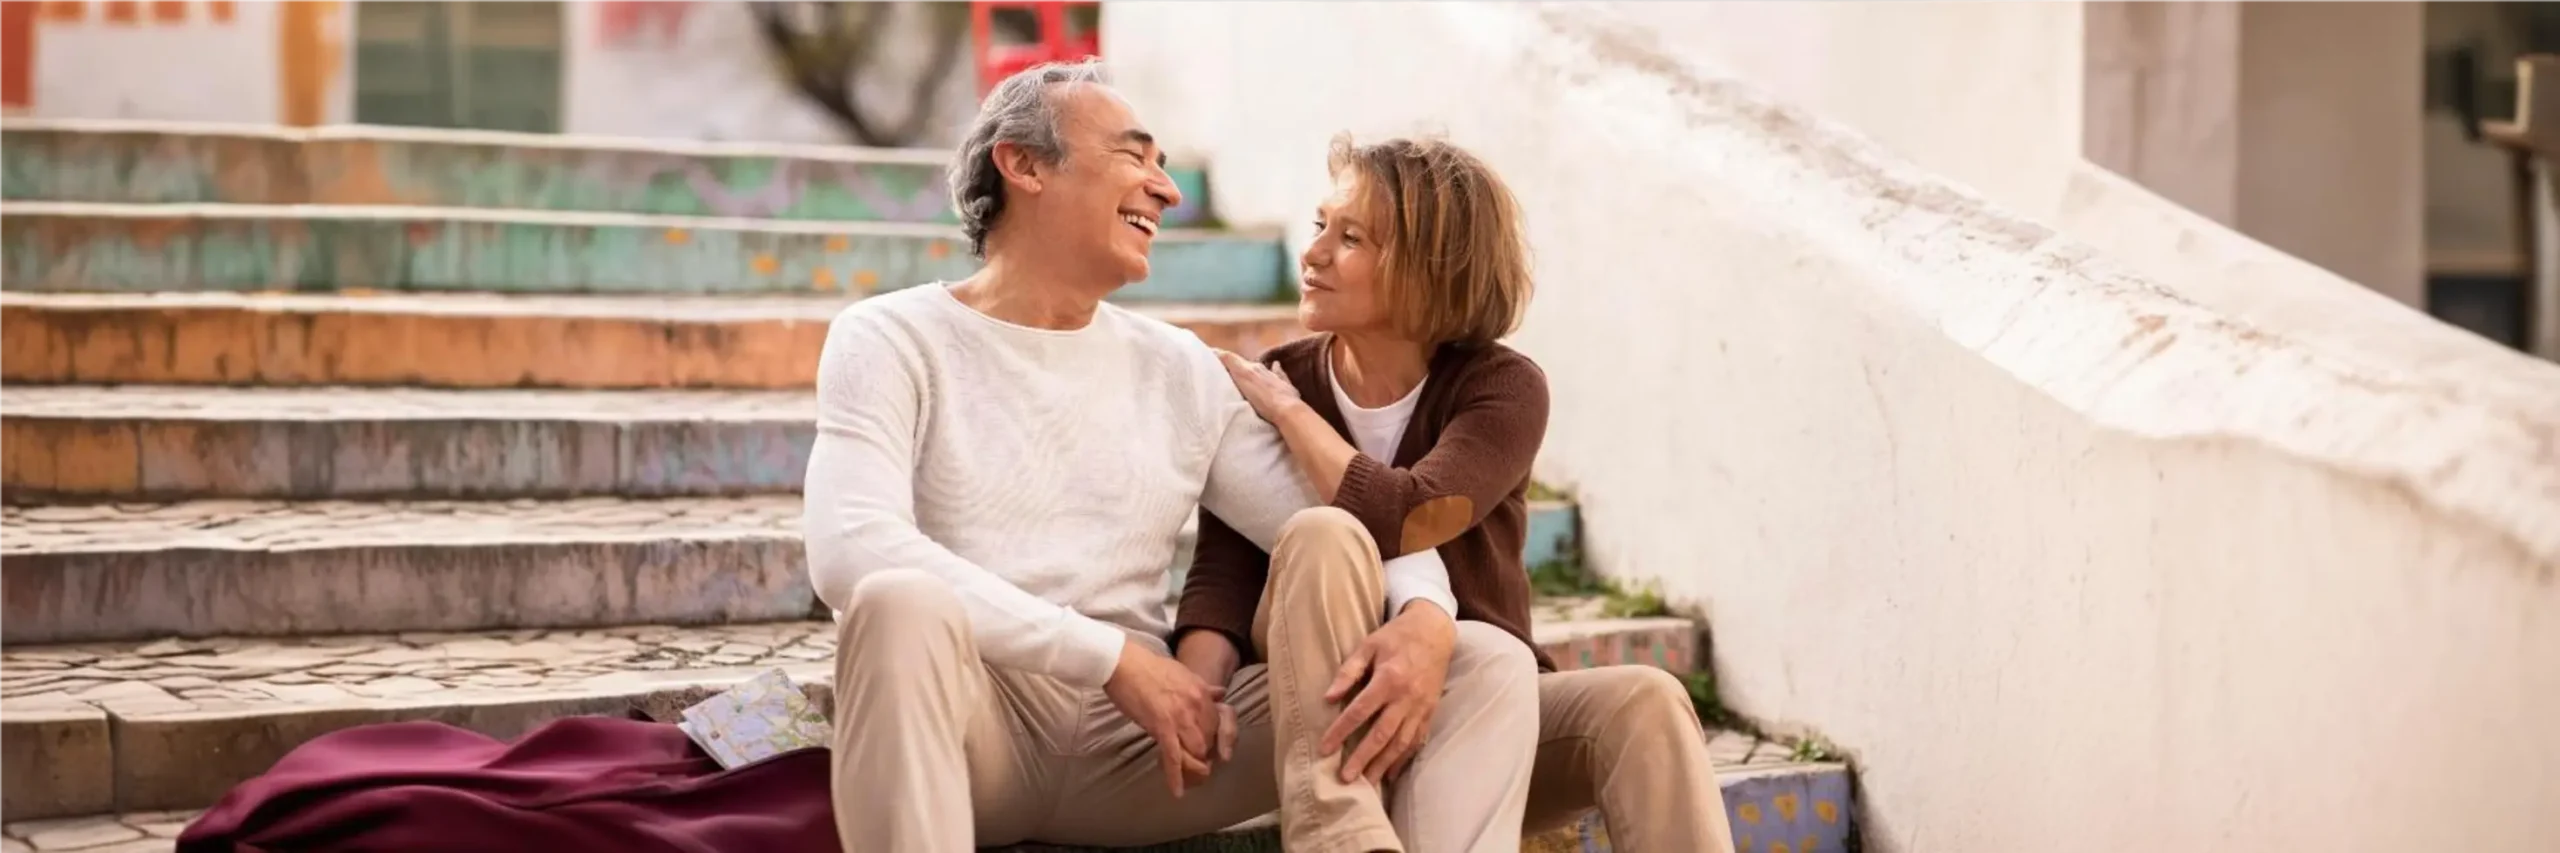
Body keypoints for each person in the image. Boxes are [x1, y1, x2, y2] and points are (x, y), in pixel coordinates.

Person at [803, 60, 1539, 852]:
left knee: (1477, 662)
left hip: (1155, 746)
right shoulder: (889, 337)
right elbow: (852, 550)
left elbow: (1335, 519)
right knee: (894, 603)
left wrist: (1428, 616)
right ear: (1021, 164)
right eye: (1133, 155)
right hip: (972, 724)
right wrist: (1111, 654)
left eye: (1162, 164)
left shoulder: (1179, 365)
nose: (1166, 189)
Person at [1177, 135, 1741, 852]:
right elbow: (1224, 567)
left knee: (1646, 699)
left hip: (1479, 703)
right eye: (1320, 225)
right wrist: (1198, 689)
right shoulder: (1283, 374)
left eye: (1350, 237)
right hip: (1325, 699)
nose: (1314, 252)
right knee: (1351, 559)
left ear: (1428, 271)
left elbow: (1410, 513)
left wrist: (1291, 415)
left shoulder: (1498, 388)